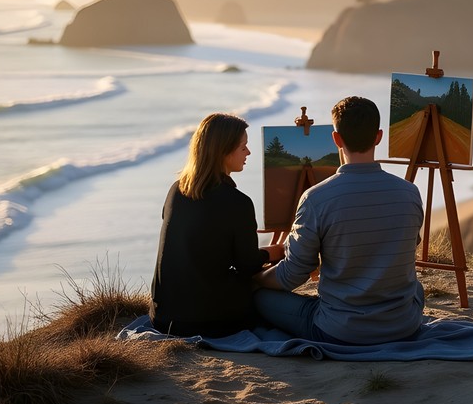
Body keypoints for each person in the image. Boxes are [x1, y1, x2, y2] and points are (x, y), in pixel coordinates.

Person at [253, 96, 425, 344]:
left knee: (260, 298)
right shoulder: (410, 192)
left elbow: (292, 276)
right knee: (416, 289)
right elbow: (410, 246)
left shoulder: (316, 198)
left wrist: (255, 278)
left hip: (340, 330)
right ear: (378, 137)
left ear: (335, 139)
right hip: (404, 326)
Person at [150, 112, 282, 337]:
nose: (248, 152)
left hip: (163, 317)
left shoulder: (176, 190)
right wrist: (275, 251)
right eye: (243, 147)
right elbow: (248, 265)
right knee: (264, 291)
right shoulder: (238, 202)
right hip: (208, 321)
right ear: (223, 152)